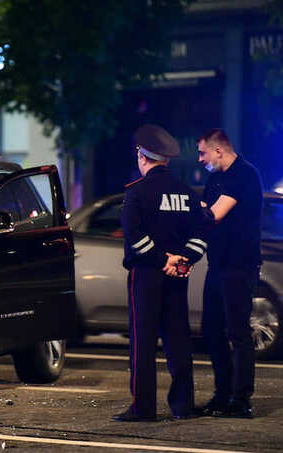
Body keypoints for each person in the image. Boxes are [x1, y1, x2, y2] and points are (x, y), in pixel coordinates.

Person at [114, 124, 208, 422]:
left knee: (143, 342)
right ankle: (183, 406)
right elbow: (200, 235)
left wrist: (160, 259)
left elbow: (134, 236)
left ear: (142, 156)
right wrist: (182, 261)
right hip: (178, 276)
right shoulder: (187, 193)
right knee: (178, 340)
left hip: (146, 275)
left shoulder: (137, 193)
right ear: (166, 159)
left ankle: (143, 408)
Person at [196, 128, 263, 418]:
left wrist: (185, 206)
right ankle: (222, 395)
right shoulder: (215, 179)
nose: (200, 159)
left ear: (218, 150)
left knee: (238, 333)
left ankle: (241, 399)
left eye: (202, 153)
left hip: (240, 266)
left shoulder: (244, 175)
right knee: (211, 331)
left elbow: (214, 214)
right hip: (218, 265)